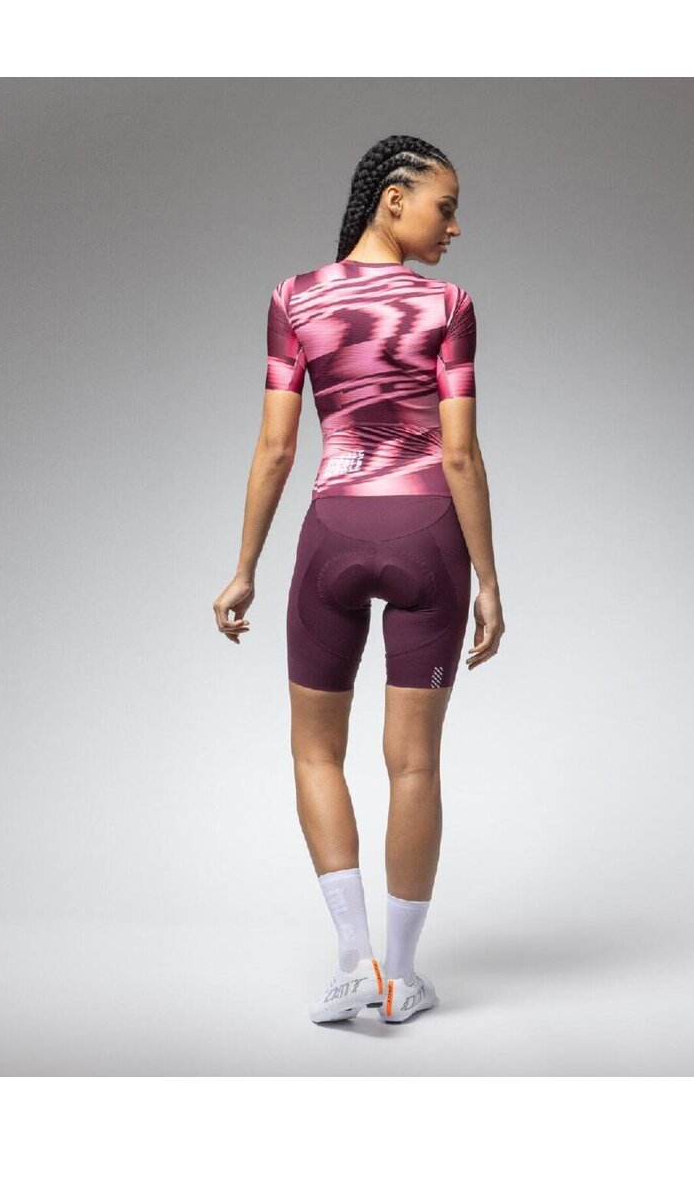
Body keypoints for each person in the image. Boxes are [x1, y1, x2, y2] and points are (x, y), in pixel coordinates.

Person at [213, 135, 505, 1025]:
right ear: (392, 198)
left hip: (332, 533)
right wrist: (489, 581)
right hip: (426, 535)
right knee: (413, 762)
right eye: (445, 207)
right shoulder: (448, 306)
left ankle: (353, 964)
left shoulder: (293, 299)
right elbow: (459, 454)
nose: (455, 226)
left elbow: (276, 447)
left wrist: (244, 568)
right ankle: (402, 977)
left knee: (315, 752)